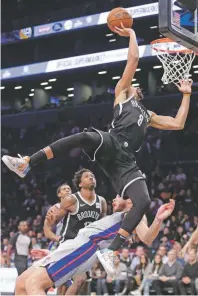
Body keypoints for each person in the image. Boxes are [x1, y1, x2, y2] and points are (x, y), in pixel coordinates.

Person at [2, 25, 192, 275]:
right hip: (110, 141)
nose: (135, 85)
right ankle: (28, 162)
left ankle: (112, 250)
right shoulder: (122, 95)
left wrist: (186, 94)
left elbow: (178, 123)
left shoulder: (149, 115)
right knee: (83, 136)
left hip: (125, 163)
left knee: (144, 200)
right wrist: (133, 34)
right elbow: (133, 58)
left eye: (137, 85)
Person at [15, 198, 175, 295]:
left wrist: (158, 220)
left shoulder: (134, 216)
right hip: (75, 246)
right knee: (22, 282)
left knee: (34, 284)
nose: (114, 199)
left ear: (130, 201)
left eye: (118, 197)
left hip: (84, 247)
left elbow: (147, 237)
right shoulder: (120, 217)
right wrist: (54, 252)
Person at [44, 171, 107, 295]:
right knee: (73, 282)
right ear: (80, 184)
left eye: (93, 176)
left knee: (83, 285)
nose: (91, 177)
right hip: (68, 245)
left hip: (86, 248)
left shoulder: (102, 202)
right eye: (87, 176)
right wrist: (51, 223)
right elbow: (52, 221)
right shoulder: (71, 200)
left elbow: (102, 227)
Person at [43, 183, 72, 296]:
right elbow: (47, 230)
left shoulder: (78, 206)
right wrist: (57, 238)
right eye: (64, 189)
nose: (67, 190)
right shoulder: (54, 208)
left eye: (69, 189)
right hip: (60, 245)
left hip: (75, 244)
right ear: (59, 194)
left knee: (74, 281)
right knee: (61, 280)